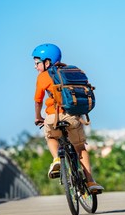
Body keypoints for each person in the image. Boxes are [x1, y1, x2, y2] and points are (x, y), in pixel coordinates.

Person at [32, 43, 103, 193]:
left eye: (37, 63)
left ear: (47, 62)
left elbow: (38, 101)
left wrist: (38, 117)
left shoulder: (43, 77)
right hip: (73, 117)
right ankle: (90, 182)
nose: (35, 66)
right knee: (80, 148)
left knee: (50, 136)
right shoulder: (70, 71)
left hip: (52, 117)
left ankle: (57, 159)